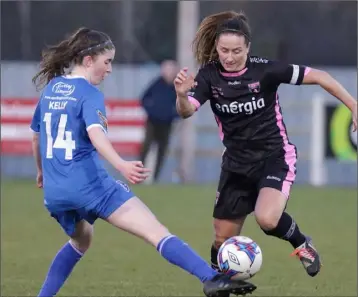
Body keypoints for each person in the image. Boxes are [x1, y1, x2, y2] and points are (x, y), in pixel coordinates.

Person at [30, 27, 257, 297]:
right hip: (90, 187)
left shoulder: (52, 88)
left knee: (81, 240)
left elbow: (36, 136)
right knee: (155, 231)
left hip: (56, 193)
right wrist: (122, 165)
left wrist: (42, 173)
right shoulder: (89, 94)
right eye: (107, 62)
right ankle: (211, 278)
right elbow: (96, 135)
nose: (110, 69)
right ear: (89, 60)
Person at [174, 11, 357, 279]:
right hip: (236, 164)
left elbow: (319, 75)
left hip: (274, 156)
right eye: (224, 50)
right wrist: (180, 95)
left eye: (237, 50)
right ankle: (219, 285)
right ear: (216, 47)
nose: (230, 56)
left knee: (267, 219)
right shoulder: (209, 76)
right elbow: (186, 111)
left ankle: (302, 244)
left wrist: (353, 104)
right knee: (220, 240)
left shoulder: (266, 70)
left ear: (248, 47)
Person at [139, 60, 179, 182]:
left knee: (162, 151)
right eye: (165, 69)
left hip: (167, 124)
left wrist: (173, 115)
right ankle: (138, 176)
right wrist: (151, 111)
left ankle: (155, 178)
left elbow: (182, 105)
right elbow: (144, 99)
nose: (167, 72)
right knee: (145, 148)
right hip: (152, 122)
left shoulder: (177, 87)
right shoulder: (156, 84)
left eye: (170, 69)